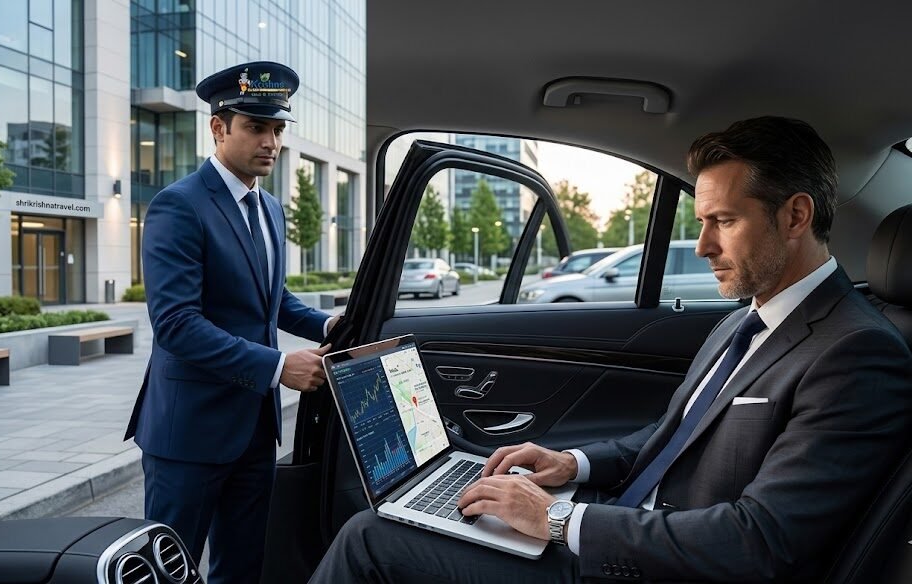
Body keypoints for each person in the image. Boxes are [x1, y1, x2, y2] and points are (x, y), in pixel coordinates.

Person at [308, 116, 912, 583]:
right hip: (622, 524)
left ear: (795, 216)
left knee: (369, 539)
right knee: (409, 514)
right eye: (701, 221)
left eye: (722, 221)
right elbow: (670, 439)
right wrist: (572, 466)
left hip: (657, 566)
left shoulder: (855, 353)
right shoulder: (744, 323)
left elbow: (762, 543)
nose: (702, 246)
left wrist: (558, 520)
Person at [124, 61, 339, 584]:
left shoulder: (269, 208)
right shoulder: (179, 206)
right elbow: (175, 323)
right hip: (189, 432)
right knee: (169, 572)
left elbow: (272, 300)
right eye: (256, 127)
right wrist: (278, 367)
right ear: (218, 128)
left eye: (278, 129)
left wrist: (331, 327)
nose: (272, 141)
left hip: (253, 429)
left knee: (242, 567)